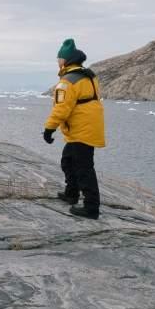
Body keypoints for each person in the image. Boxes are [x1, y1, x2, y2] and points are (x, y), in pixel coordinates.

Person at [42, 38, 105, 219]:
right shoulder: (87, 75)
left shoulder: (67, 81)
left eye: (59, 58)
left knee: (84, 168)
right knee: (68, 160)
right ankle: (71, 193)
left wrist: (49, 129)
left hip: (81, 128)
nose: (58, 62)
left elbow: (61, 108)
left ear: (65, 60)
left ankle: (91, 208)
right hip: (89, 124)